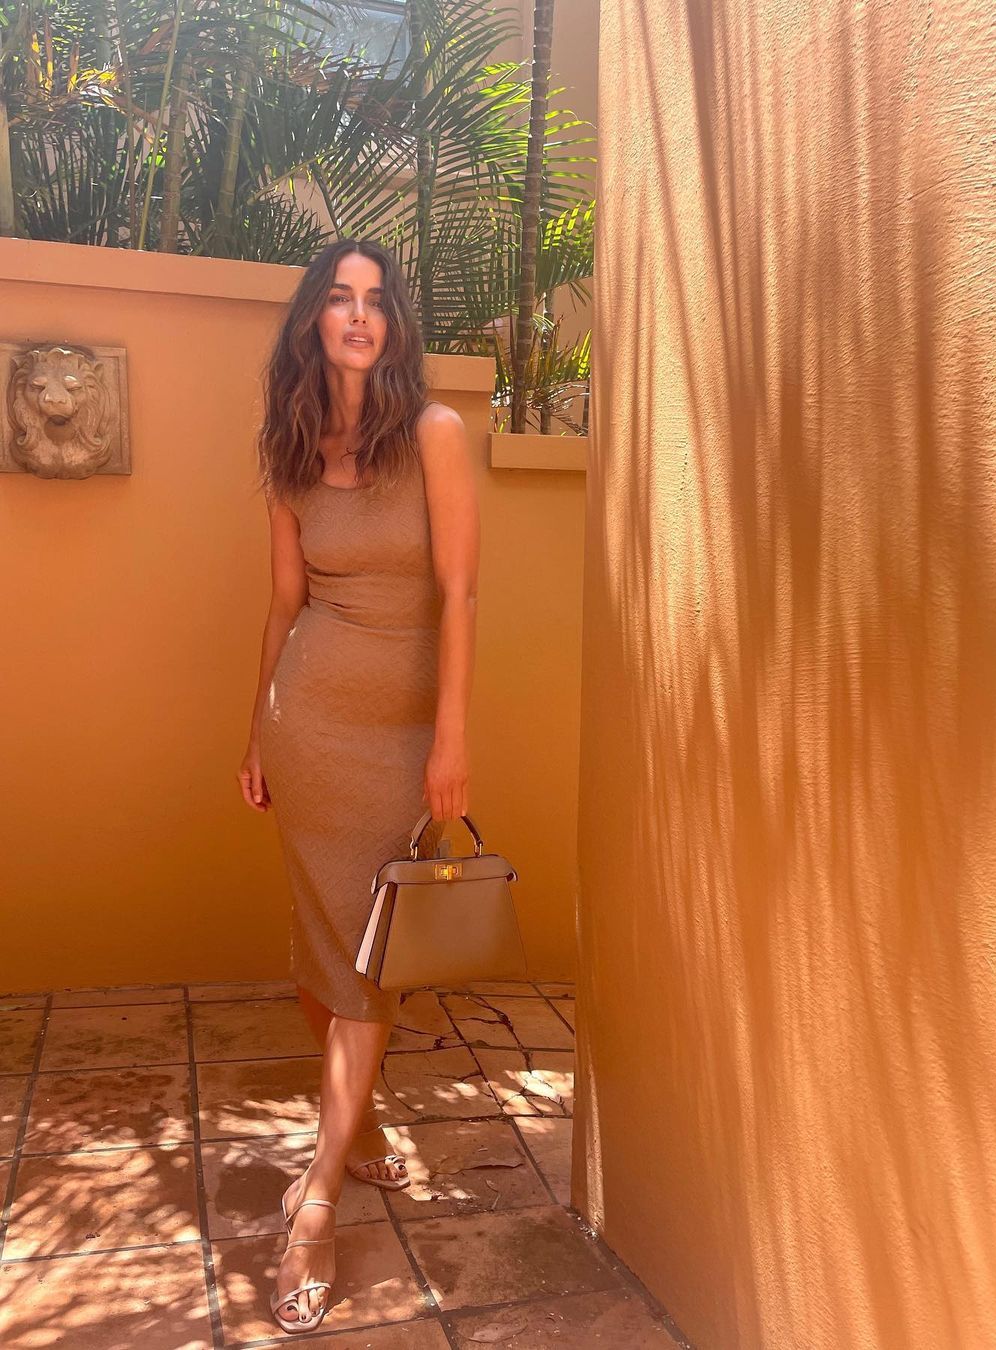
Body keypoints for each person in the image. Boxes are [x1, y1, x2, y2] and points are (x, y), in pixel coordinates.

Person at [237, 238, 479, 1333]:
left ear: (395, 324)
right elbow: (284, 605)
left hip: (399, 742)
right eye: (339, 297)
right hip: (308, 733)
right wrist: (255, 731)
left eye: (376, 300)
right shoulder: (289, 452)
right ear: (313, 321)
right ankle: (363, 1128)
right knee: (325, 949)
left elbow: (460, 593)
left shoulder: (433, 434)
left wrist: (451, 738)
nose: (358, 314)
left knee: (368, 968)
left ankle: (318, 1204)